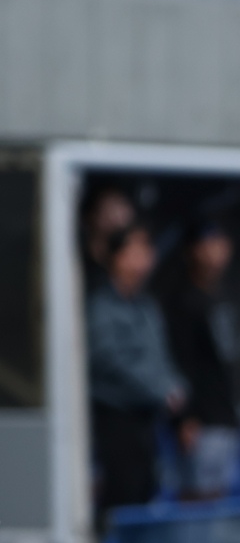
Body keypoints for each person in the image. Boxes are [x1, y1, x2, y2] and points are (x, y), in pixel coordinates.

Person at [158, 223, 240, 543]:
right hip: (199, 420)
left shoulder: (220, 299)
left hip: (224, 417)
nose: (217, 252)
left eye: (221, 242)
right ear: (192, 251)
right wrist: (185, 418)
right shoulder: (182, 302)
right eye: (208, 244)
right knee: (194, 501)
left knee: (212, 504)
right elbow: (180, 364)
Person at [87, 224, 183, 524]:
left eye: (147, 249)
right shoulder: (101, 306)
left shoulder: (147, 306)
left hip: (147, 421)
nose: (144, 257)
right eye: (135, 250)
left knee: (146, 496)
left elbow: (160, 356)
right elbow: (110, 359)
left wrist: (174, 387)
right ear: (116, 257)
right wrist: (158, 389)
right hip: (115, 420)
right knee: (122, 502)